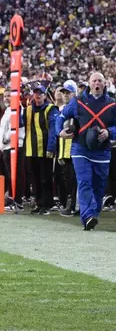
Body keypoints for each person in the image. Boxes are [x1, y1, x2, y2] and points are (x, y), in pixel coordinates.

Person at [56, 72, 116, 230]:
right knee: (84, 182)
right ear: (89, 83)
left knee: (99, 186)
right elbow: (61, 117)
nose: (97, 83)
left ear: (104, 84)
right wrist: (59, 132)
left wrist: (109, 132)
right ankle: (87, 216)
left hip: (102, 151)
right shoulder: (78, 101)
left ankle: (93, 213)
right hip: (80, 148)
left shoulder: (112, 104)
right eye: (94, 80)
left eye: (100, 81)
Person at [26, 84, 59, 215]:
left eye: (40, 93)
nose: (37, 95)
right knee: (34, 178)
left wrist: (51, 147)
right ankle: (39, 203)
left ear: (45, 95)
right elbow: (21, 124)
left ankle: (47, 204)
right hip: (31, 149)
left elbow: (53, 129)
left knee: (45, 178)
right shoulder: (28, 109)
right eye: (35, 93)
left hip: (45, 149)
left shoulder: (50, 109)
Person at [57, 80, 78, 217]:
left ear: (74, 93)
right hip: (66, 151)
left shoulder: (76, 107)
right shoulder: (65, 109)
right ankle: (72, 205)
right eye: (63, 92)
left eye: (68, 92)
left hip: (76, 150)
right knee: (69, 180)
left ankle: (75, 206)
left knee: (75, 180)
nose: (65, 95)